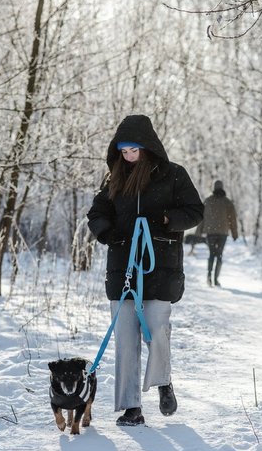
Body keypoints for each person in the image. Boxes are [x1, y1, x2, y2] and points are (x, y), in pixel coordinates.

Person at [86, 115, 204, 426]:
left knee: (157, 333)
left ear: (147, 147)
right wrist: (107, 233)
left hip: (159, 267)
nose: (127, 156)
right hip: (123, 269)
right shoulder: (114, 178)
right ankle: (131, 407)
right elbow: (97, 212)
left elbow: (195, 211)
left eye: (133, 150)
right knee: (125, 340)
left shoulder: (174, 175)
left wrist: (166, 220)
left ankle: (163, 383)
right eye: (122, 151)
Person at [196, 180, 239, 287]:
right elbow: (232, 219)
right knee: (219, 255)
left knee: (211, 254)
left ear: (214, 188)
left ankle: (209, 277)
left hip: (210, 232)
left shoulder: (208, 201)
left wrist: (198, 232)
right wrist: (234, 233)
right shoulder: (227, 202)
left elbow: (202, 217)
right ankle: (216, 279)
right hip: (222, 233)